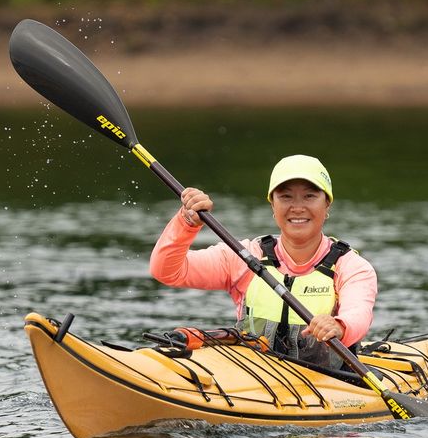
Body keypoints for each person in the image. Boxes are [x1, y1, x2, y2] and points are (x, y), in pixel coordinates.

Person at [149, 154, 377, 367]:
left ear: (326, 204)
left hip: (329, 380)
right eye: (285, 196)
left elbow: (359, 313)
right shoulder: (244, 255)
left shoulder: (351, 266)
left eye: (310, 196)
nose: (297, 207)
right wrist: (186, 223)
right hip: (256, 377)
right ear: (272, 205)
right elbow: (167, 271)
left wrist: (339, 325)